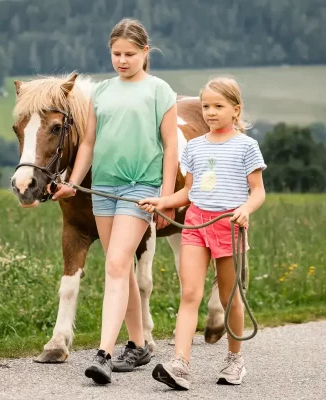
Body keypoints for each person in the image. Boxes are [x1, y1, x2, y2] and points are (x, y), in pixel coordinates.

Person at [51, 18, 178, 384]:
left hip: (141, 188)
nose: (122, 60)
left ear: (145, 53)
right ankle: (138, 345)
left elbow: (171, 146)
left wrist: (166, 197)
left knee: (117, 265)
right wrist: (73, 183)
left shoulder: (159, 91)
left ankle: (104, 354)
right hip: (104, 189)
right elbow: (88, 144)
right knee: (119, 267)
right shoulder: (102, 93)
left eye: (129, 54)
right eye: (116, 54)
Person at [139, 76, 266, 390]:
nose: (210, 112)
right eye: (206, 105)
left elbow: (258, 191)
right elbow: (188, 192)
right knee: (190, 294)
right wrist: (162, 201)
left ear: (235, 110)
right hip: (196, 225)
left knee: (229, 299)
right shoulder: (194, 147)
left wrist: (246, 209)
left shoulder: (246, 146)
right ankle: (180, 363)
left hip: (229, 228)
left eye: (218, 106)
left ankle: (234, 359)